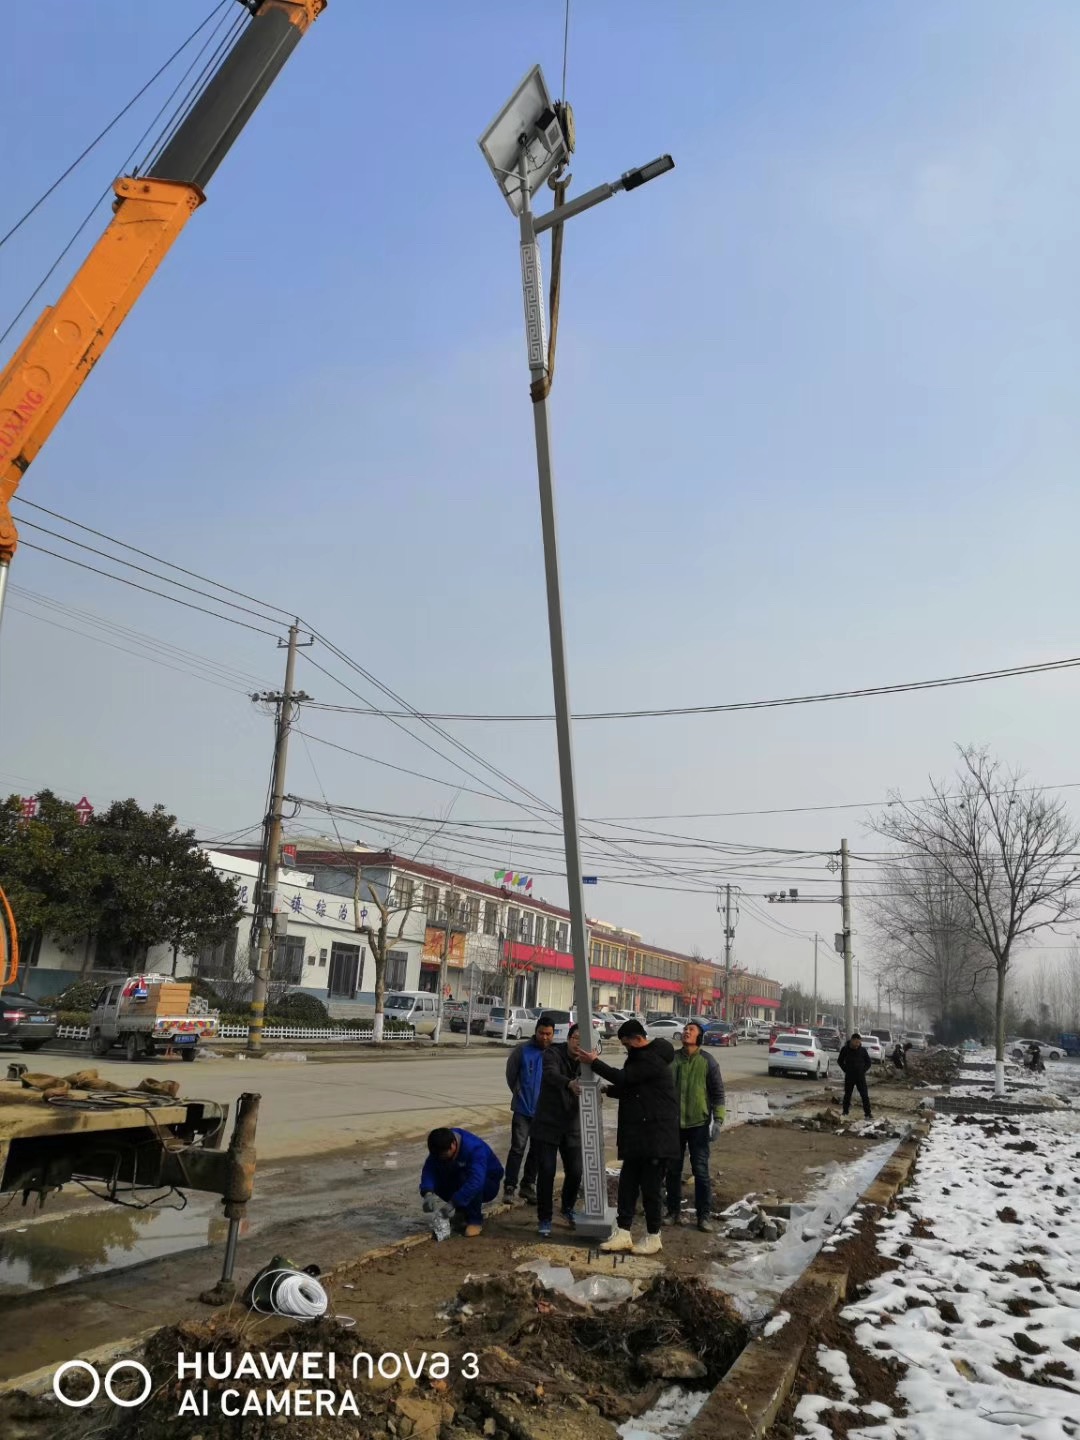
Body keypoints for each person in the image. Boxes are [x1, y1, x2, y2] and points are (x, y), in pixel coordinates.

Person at [579, 1018, 679, 1256]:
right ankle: (623, 1233)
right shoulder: (641, 1059)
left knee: (651, 1189)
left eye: (626, 1043)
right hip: (639, 1137)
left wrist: (595, 1063)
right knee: (627, 1185)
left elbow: (625, 1078)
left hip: (655, 1140)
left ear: (637, 1039)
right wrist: (605, 1089)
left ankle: (654, 1236)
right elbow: (631, 1087)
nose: (626, 1048)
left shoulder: (650, 1059)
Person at [665, 1020, 726, 1232]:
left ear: (699, 1037)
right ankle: (673, 1212)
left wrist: (717, 1121)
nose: (685, 1032)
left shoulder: (708, 1062)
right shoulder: (672, 1059)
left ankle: (703, 1216)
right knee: (672, 1170)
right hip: (673, 1124)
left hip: (698, 1125)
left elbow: (718, 1094)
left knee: (700, 1171)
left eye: (690, 1030)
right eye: (684, 1029)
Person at [532, 1023, 584, 1237]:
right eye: (576, 1037)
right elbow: (551, 1075)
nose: (579, 1042)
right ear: (569, 1038)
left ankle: (567, 1208)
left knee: (576, 1171)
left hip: (572, 1125)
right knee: (546, 1171)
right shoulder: (553, 1053)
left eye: (583, 1039)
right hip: (548, 1124)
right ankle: (544, 1218)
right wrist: (569, 1083)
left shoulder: (587, 1061)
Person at [502, 1015, 555, 1202]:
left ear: (553, 1034)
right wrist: (519, 1094)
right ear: (536, 1032)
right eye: (542, 1033)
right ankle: (509, 1186)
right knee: (518, 1148)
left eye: (549, 1034)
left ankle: (528, 1185)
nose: (545, 1037)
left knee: (537, 1150)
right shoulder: (522, 1051)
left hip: (545, 1113)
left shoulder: (555, 1054)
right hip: (523, 1110)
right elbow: (511, 1075)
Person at [420, 1127, 504, 1237]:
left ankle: (475, 1220)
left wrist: (452, 1204)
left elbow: (476, 1181)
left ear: (453, 1145)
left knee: (467, 1178)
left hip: (488, 1183)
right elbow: (429, 1169)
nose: (441, 1158)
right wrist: (427, 1192)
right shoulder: (441, 1144)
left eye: (444, 1155)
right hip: (461, 1176)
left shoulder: (474, 1149)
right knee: (440, 1178)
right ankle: (462, 1212)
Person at [837, 1032, 873, 1119]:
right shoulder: (845, 1049)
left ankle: (868, 1113)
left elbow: (868, 1062)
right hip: (849, 1076)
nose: (857, 1044)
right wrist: (846, 1070)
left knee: (864, 1095)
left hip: (860, 1076)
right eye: (856, 1042)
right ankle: (845, 1112)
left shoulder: (863, 1050)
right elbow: (840, 1061)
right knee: (847, 1094)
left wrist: (863, 1070)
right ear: (852, 1041)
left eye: (859, 1042)